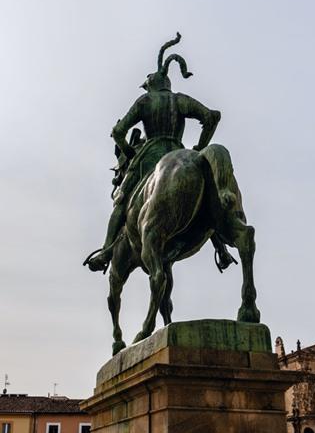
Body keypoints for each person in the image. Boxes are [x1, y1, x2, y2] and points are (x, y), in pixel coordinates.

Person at [84, 33, 237, 273]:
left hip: (149, 154)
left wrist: (128, 152)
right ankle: (221, 248)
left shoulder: (145, 101)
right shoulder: (180, 100)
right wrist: (199, 147)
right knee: (207, 192)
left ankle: (105, 251)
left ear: (150, 85)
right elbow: (211, 117)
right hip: (178, 150)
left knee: (121, 200)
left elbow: (117, 131)